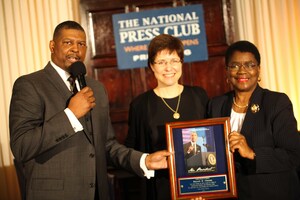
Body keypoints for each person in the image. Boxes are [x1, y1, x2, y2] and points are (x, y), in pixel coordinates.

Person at [9, 20, 171, 200]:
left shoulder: (97, 88)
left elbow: (107, 145)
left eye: (81, 44)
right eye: (68, 42)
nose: (75, 49)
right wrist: (70, 115)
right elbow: (21, 146)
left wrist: (144, 160)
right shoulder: (30, 85)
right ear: (52, 46)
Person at [207, 40, 300, 200]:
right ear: (227, 72)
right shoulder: (216, 104)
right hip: (230, 194)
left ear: (259, 70)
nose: (242, 71)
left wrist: (252, 153)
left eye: (249, 65)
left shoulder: (276, 102)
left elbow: (293, 154)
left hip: (272, 193)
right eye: (235, 66)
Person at [125, 34, 209, 200]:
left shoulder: (199, 96)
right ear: (151, 66)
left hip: (199, 189)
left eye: (174, 61)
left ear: (181, 63)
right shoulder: (140, 105)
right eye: (161, 62)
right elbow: (131, 151)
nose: (168, 67)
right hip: (159, 191)